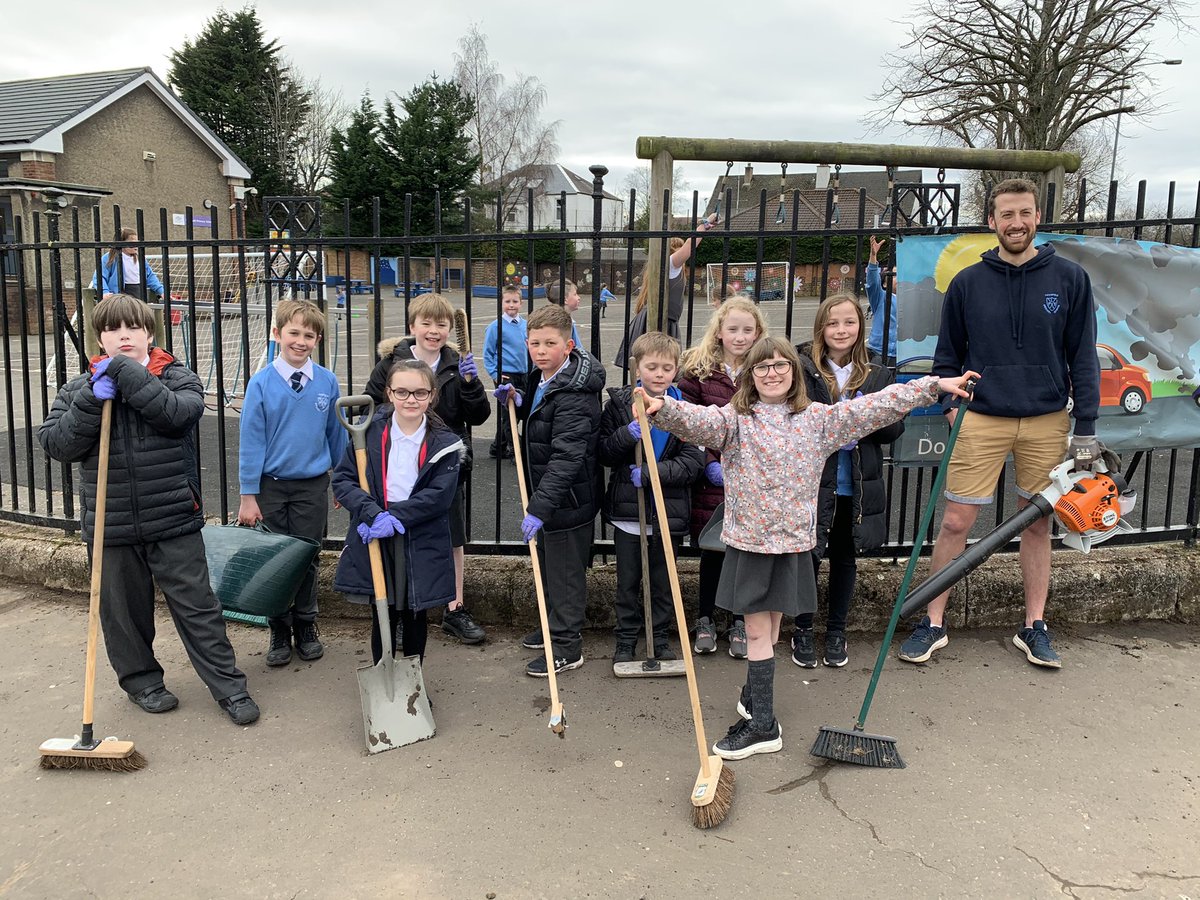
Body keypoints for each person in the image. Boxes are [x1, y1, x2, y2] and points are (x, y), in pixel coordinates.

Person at [639, 336, 977, 759]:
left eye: (781, 365)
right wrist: (661, 407)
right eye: (762, 367)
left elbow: (875, 407)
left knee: (770, 629)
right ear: (750, 376)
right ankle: (759, 710)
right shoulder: (735, 420)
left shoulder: (818, 419)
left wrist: (932, 386)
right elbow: (698, 420)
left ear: (794, 372)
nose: (772, 373)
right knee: (759, 631)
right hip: (751, 542)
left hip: (793, 542)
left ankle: (761, 720)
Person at [899, 178, 1100, 670]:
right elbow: (947, 356)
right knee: (956, 521)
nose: (1016, 223)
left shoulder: (1070, 279)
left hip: (1046, 419)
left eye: (1025, 213)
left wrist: (1087, 428)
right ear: (991, 221)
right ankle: (934, 622)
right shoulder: (967, 282)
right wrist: (950, 407)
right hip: (981, 418)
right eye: (1007, 214)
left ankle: (1034, 626)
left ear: (1037, 217)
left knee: (1036, 522)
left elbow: (1083, 357)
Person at [38, 295, 259, 725]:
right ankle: (143, 684)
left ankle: (230, 688)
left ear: (149, 333)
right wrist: (90, 400)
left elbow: (179, 416)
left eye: (133, 327)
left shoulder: (176, 377)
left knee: (198, 608)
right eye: (113, 329)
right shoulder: (78, 389)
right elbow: (58, 444)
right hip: (111, 524)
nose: (124, 335)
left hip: (172, 517)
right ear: (99, 338)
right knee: (123, 614)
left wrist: (130, 375)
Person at [364, 293, 490, 646]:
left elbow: (479, 416)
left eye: (441, 324)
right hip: (398, 466)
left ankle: (454, 607)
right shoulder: (391, 362)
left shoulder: (457, 364)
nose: (434, 331)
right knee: (399, 536)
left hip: (444, 468)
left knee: (451, 537)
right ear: (412, 326)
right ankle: (400, 609)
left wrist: (471, 384)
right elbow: (369, 407)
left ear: (449, 329)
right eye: (426, 323)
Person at [493, 304, 605, 677]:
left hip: (567, 501)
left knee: (565, 576)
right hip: (549, 498)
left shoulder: (574, 393)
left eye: (550, 343)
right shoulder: (543, 378)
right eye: (535, 343)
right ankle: (552, 627)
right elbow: (540, 413)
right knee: (549, 569)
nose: (541, 351)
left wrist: (539, 508)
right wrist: (520, 401)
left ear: (568, 346)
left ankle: (567, 647)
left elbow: (566, 458)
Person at [793, 293, 903, 668]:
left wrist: (863, 422)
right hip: (813, 482)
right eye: (833, 323)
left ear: (860, 326)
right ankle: (802, 628)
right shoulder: (802, 367)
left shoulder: (878, 372)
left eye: (849, 322)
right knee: (807, 557)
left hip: (854, 485)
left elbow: (894, 429)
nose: (841, 330)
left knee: (845, 558)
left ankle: (836, 631)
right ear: (821, 327)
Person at [237, 299, 346, 667]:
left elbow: (335, 436)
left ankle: (306, 625)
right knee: (275, 560)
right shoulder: (261, 384)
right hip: (270, 487)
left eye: (309, 335)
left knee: (307, 557)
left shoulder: (327, 382)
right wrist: (248, 495)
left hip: (311, 486)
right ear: (277, 334)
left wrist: (341, 481)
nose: (301, 341)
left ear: (318, 340)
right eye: (294, 333)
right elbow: (251, 441)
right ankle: (279, 629)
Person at [332, 359, 463, 665]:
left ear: (432, 395)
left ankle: (412, 678)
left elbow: (439, 495)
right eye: (402, 392)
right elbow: (343, 480)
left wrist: (397, 517)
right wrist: (373, 514)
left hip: (420, 536)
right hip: (378, 532)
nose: (410, 400)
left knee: (416, 612)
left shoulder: (445, 443)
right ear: (389, 393)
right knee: (383, 609)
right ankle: (384, 671)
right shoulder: (368, 434)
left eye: (420, 393)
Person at [598, 331, 703, 665]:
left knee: (663, 583)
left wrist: (652, 473)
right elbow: (604, 452)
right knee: (628, 584)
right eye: (652, 367)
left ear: (676, 370)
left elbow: (693, 462)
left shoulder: (685, 409)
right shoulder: (618, 405)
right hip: (630, 515)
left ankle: (658, 638)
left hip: (668, 513)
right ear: (636, 367)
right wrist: (627, 434)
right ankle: (626, 640)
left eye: (667, 368)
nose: (659, 374)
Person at [677, 296, 768, 658]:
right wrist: (709, 462)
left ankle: (739, 620)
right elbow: (688, 423)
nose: (740, 337)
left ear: (758, 333)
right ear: (719, 332)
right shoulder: (698, 372)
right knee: (713, 553)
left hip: (751, 479)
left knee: (744, 556)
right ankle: (705, 618)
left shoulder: (765, 370)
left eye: (747, 330)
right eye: (733, 329)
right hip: (711, 481)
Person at [614, 214, 717, 370]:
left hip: (665, 318)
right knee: (654, 363)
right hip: (661, 319)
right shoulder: (670, 263)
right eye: (679, 249)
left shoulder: (668, 267)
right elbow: (690, 245)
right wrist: (705, 224)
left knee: (654, 365)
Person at [483, 285, 529, 460]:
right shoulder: (495, 327)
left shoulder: (526, 325)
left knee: (520, 411)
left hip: (524, 374)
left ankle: (498, 446)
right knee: (509, 413)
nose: (511, 305)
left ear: (521, 303)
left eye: (515, 301)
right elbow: (487, 354)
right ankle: (516, 449)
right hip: (506, 375)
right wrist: (496, 375)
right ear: (501, 303)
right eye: (507, 301)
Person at [90, 227, 166, 300]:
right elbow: (99, 277)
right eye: (132, 243)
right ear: (121, 243)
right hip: (119, 294)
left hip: (138, 291)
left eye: (137, 243)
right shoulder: (109, 258)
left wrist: (161, 291)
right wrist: (104, 292)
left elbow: (150, 276)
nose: (135, 246)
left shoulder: (140, 258)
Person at [865, 235, 899, 364]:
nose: (898, 278)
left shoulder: (911, 299)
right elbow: (872, 282)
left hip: (902, 353)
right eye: (894, 275)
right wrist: (873, 256)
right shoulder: (880, 297)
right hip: (878, 351)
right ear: (884, 283)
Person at [546, 280, 584, 349]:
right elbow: (578, 348)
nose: (579, 297)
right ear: (565, 299)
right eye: (575, 294)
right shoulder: (563, 322)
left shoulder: (568, 320)